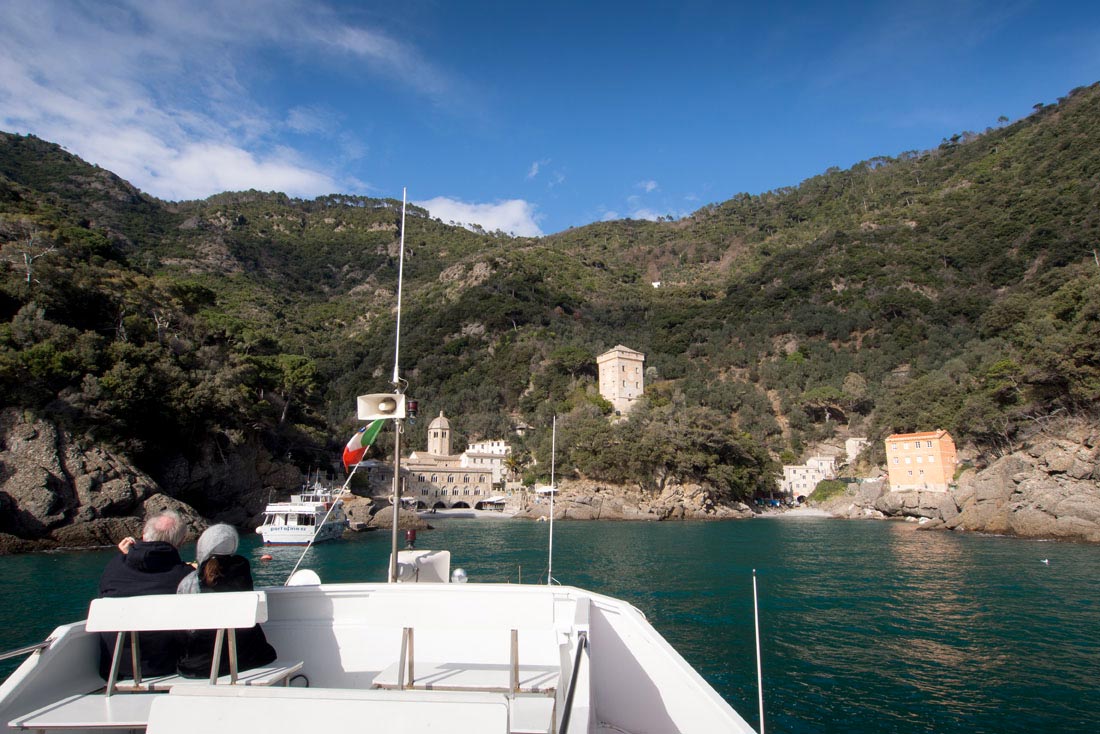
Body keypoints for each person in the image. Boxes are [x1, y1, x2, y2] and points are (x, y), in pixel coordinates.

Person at [97, 510, 192, 679]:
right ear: (181, 542)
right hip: (167, 666)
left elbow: (137, 577)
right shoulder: (185, 576)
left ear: (143, 535)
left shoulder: (113, 568)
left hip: (116, 668)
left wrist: (125, 555)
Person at [174, 524, 278, 678]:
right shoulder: (242, 570)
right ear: (233, 545)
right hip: (247, 659)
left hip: (199, 666)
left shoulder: (191, 581)